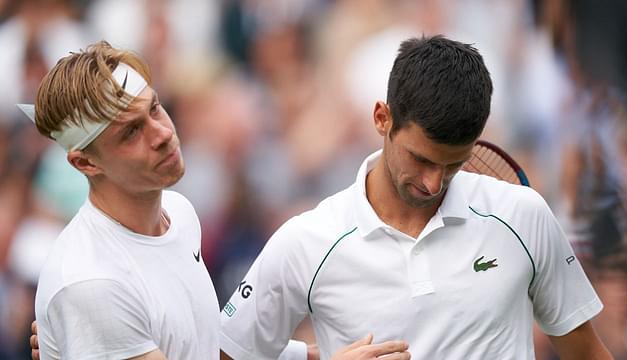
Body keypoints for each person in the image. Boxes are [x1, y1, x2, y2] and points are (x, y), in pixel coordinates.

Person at [218, 35, 613, 359]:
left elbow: (589, 354)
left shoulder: (524, 215)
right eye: (420, 159)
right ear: (382, 118)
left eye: (454, 164)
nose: (433, 183)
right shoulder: (304, 241)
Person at [23, 41, 411, 360]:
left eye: (155, 108)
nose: (161, 134)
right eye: (130, 133)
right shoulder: (92, 286)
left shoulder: (178, 212)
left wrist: (315, 356)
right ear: (85, 162)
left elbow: (203, 345)